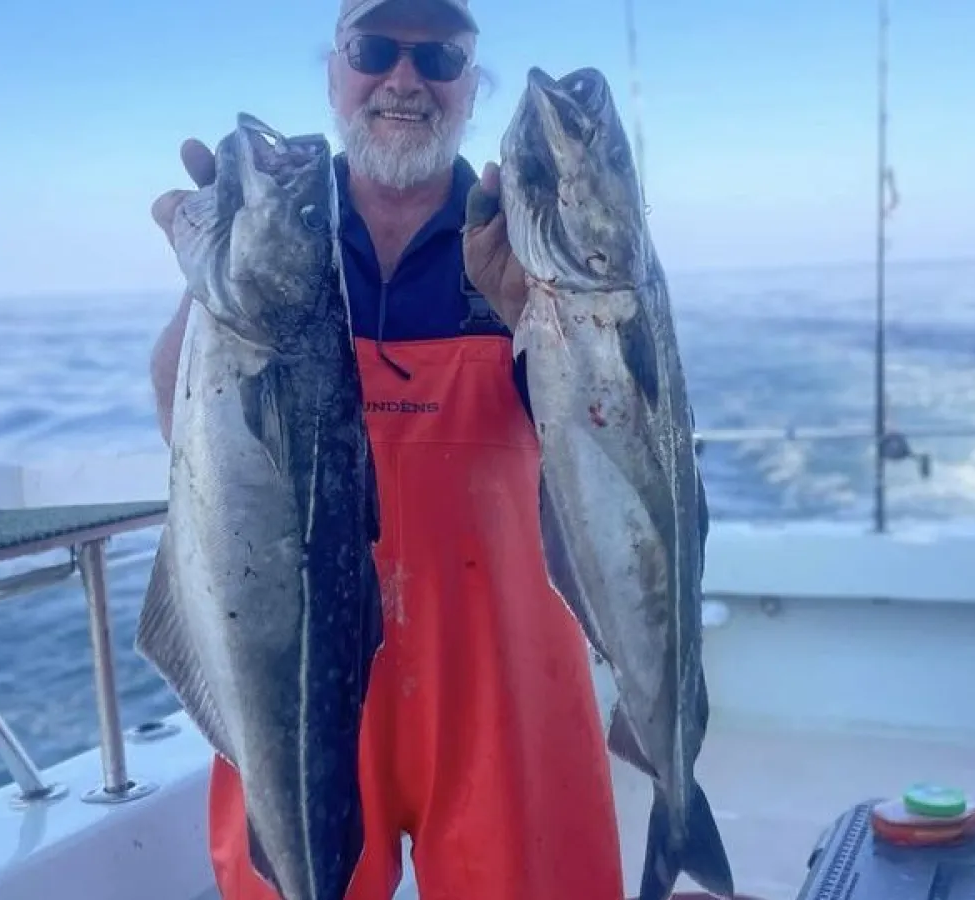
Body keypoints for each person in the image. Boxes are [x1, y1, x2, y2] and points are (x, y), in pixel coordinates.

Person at [148, 0, 629, 897]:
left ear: (469, 85)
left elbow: (603, 455)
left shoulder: (521, 233)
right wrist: (207, 278)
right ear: (334, 72)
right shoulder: (274, 215)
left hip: (504, 680)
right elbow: (187, 429)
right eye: (374, 50)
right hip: (292, 660)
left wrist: (543, 321)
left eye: (438, 58)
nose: (403, 80)